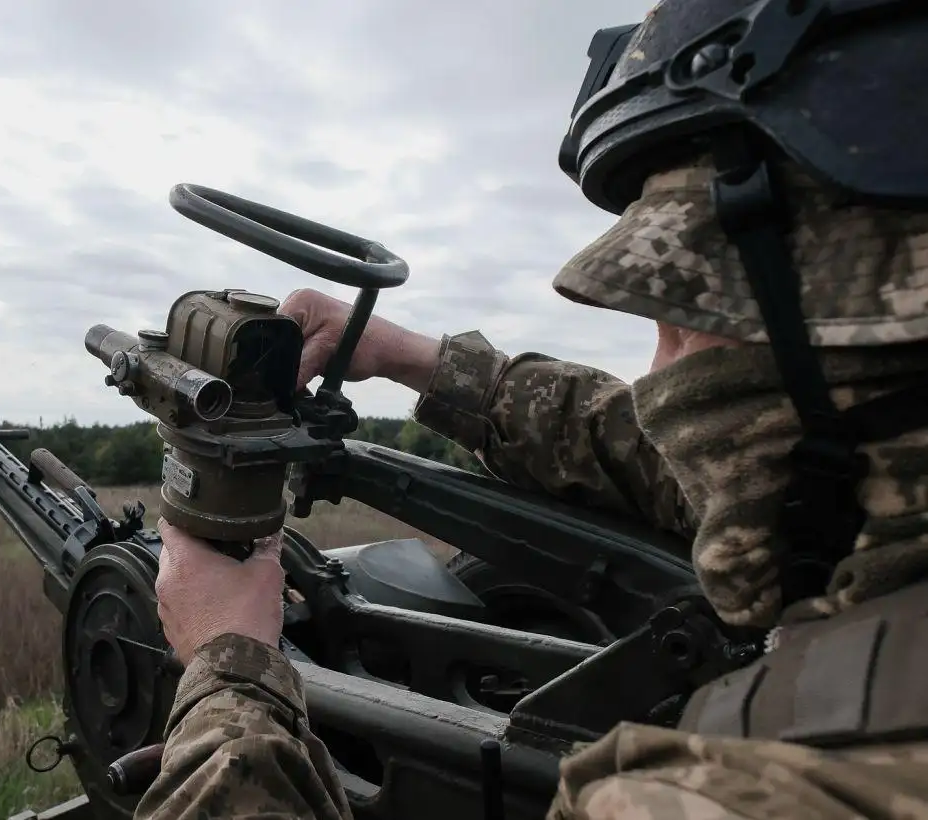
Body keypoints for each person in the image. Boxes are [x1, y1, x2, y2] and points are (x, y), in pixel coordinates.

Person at [136, 0, 928, 817]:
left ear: (845, 339)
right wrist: (412, 358)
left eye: (688, 320)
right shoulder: (870, 485)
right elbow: (646, 451)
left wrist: (228, 674)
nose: (662, 370)